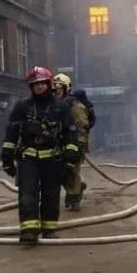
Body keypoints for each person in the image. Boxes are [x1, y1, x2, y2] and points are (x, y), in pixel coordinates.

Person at [1, 66, 80, 244]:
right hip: (29, 159)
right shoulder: (22, 106)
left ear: (48, 84)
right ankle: (29, 231)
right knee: (27, 194)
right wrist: (7, 157)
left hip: (53, 159)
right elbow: (12, 132)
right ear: (31, 87)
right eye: (35, 85)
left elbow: (70, 131)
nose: (39, 87)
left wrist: (71, 155)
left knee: (51, 196)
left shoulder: (61, 106)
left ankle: (49, 230)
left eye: (42, 84)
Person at [52, 73, 90, 211]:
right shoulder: (53, 104)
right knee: (59, 172)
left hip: (75, 143)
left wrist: (78, 145)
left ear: (66, 88)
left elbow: (82, 126)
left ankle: (74, 198)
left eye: (59, 87)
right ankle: (77, 188)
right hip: (58, 144)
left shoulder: (75, 106)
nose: (56, 90)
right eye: (54, 87)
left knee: (72, 170)